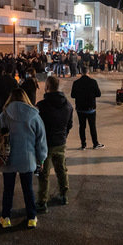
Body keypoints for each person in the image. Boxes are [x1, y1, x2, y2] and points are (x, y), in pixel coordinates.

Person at [0, 88, 47, 229]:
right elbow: (40, 140)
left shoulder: (5, 114)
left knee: (8, 189)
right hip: (27, 159)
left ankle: (6, 217)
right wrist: (41, 159)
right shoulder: (34, 115)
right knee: (28, 188)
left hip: (7, 158)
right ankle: (31, 217)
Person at [36, 76, 73, 213]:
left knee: (44, 174)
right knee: (61, 169)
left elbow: (36, 126)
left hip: (45, 144)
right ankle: (64, 195)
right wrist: (63, 135)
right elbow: (70, 124)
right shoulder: (68, 105)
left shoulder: (42, 105)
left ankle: (42, 201)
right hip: (60, 142)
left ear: (47, 86)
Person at [71, 66, 104, 150]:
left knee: (82, 126)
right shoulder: (93, 82)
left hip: (80, 108)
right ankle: (95, 143)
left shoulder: (76, 83)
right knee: (92, 126)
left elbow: (72, 95)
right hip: (91, 108)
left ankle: (83, 144)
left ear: (81, 72)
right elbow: (98, 94)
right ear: (88, 72)